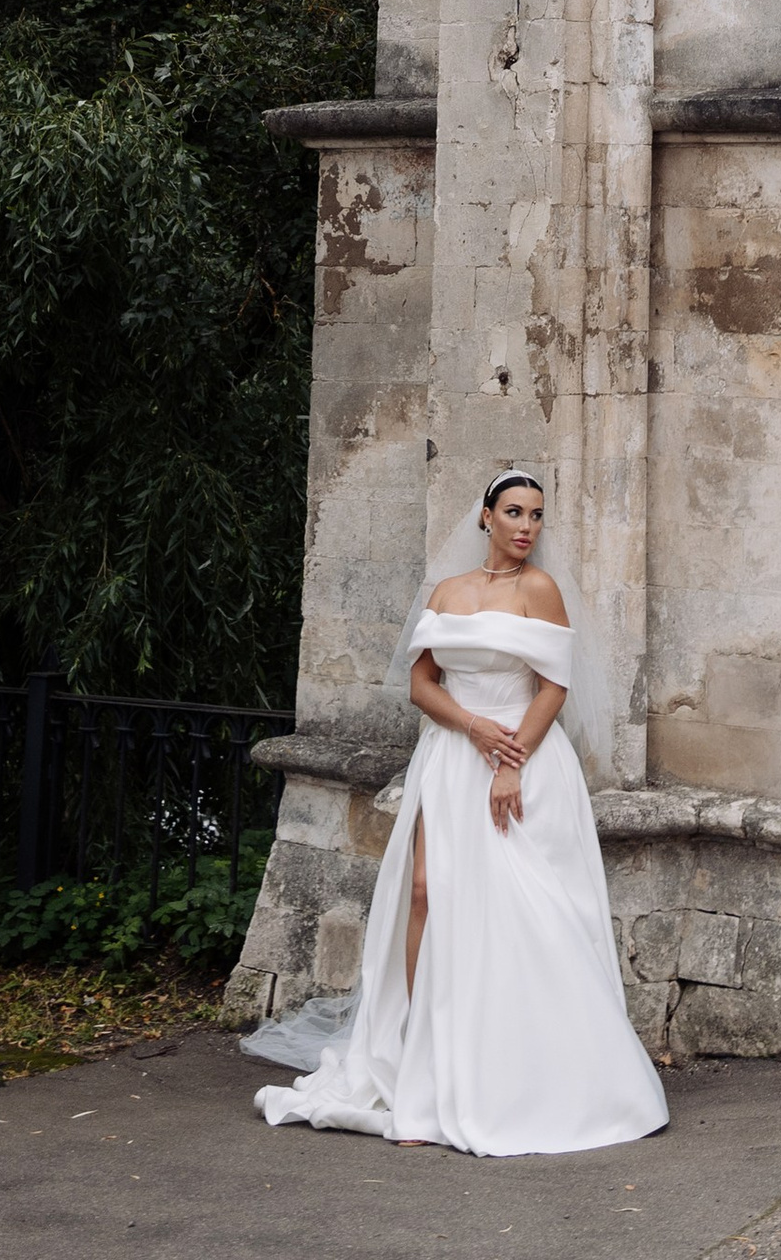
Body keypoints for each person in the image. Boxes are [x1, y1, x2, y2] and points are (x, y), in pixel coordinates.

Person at [252, 469, 671, 1157]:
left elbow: (555, 685)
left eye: (536, 514)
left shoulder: (539, 589)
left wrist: (509, 761)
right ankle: (423, 1055)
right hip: (451, 757)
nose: (526, 525)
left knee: (521, 907)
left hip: (522, 758)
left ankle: (532, 1069)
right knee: (424, 893)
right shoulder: (448, 592)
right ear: (485, 515)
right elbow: (421, 682)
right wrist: (472, 728)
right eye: (513, 511)